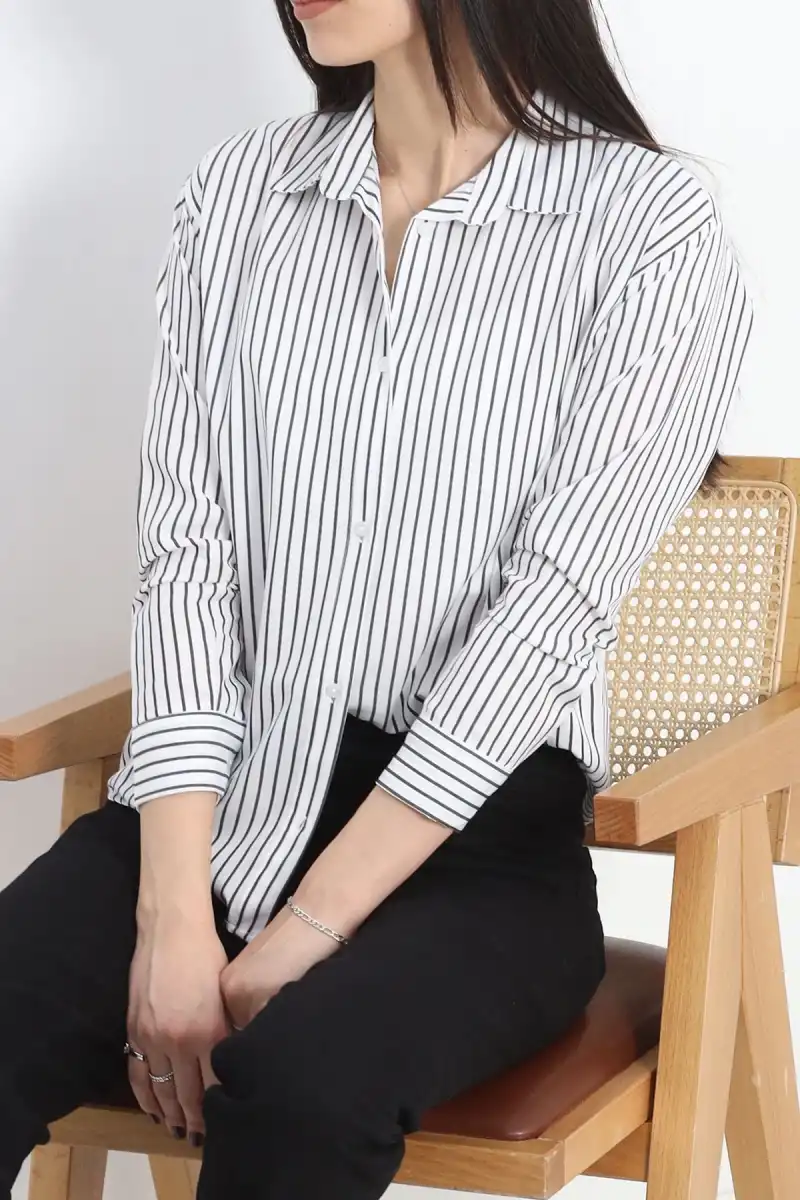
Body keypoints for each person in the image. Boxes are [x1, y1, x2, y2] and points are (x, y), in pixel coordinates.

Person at [0, 0, 754, 1196]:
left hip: (474, 860)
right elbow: (183, 558)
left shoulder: (646, 226)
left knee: (303, 1082)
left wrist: (306, 927)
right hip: (218, 814)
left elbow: (550, 611)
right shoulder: (239, 195)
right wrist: (173, 918)